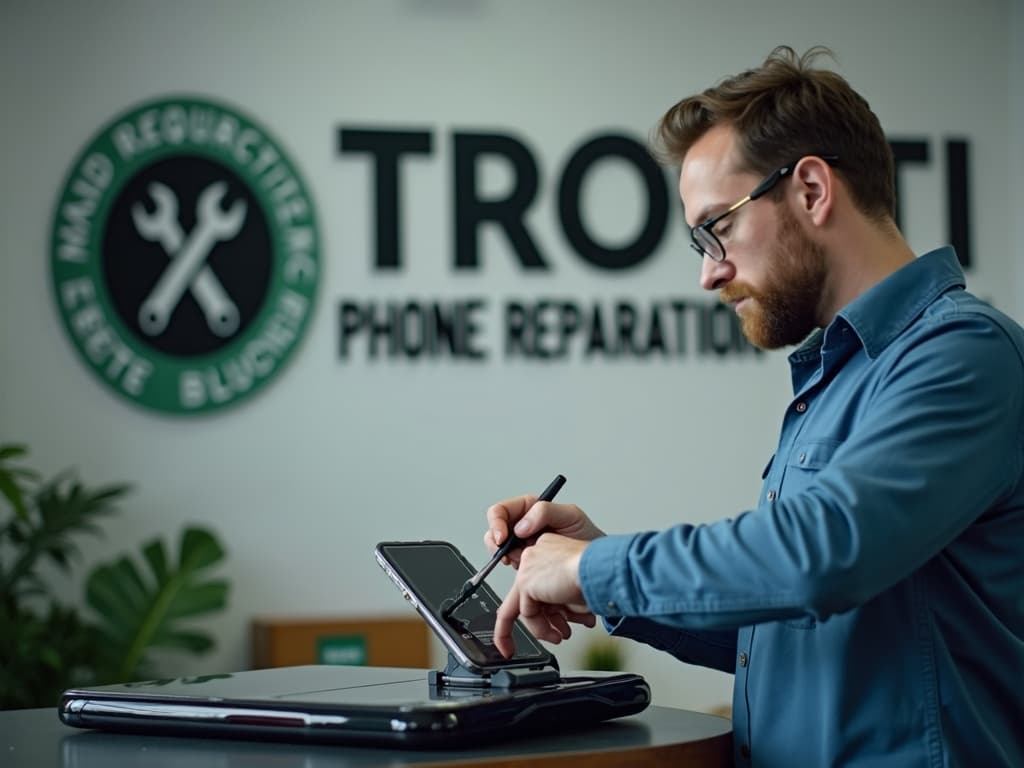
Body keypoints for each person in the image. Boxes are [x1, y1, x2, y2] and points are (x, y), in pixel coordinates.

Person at [483, 46, 1024, 767]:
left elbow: (819, 556)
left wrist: (594, 566)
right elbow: (783, 631)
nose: (710, 273)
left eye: (718, 228)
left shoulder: (963, 354)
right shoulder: (838, 378)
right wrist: (604, 579)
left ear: (809, 190)